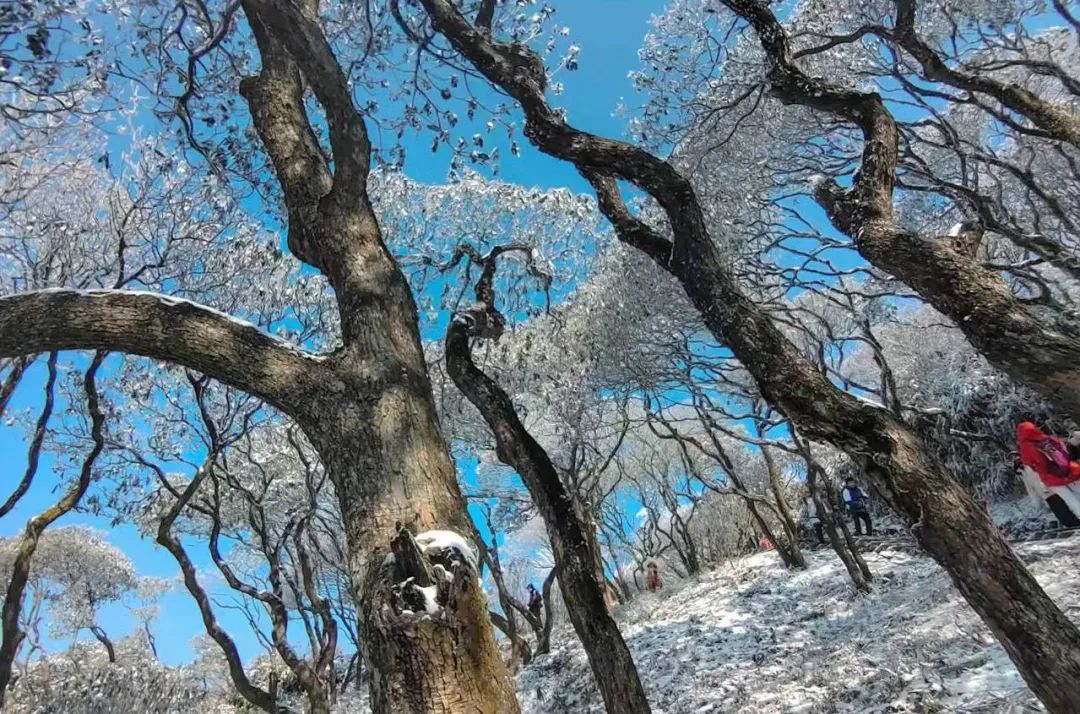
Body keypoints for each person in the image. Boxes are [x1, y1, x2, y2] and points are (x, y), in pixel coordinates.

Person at [1017, 421, 1080, 526]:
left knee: (1070, 500)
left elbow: (1030, 463)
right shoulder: (1045, 438)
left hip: (1050, 478)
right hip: (1067, 470)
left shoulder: (1026, 447)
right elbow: (1063, 449)